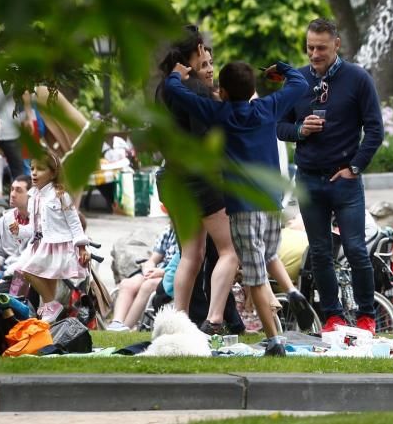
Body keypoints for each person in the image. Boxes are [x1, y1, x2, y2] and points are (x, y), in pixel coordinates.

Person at [164, 58, 307, 355]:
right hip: (271, 206)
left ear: (223, 92)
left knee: (254, 276)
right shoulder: (268, 108)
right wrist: (281, 68)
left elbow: (178, 94)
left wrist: (176, 76)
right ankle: (289, 295)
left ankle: (274, 340)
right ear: (254, 88)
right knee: (267, 258)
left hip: (243, 209)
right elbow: (300, 83)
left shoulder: (219, 113)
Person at [277, 18, 384, 333]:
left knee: (354, 248)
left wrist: (354, 167)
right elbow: (278, 126)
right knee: (320, 252)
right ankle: (332, 315)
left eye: (321, 48)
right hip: (309, 180)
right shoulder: (296, 80)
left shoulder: (358, 79)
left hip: (345, 181)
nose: (314, 54)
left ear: (337, 44)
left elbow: (375, 130)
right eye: (310, 47)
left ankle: (366, 315)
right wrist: (300, 130)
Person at [155, 27, 241, 335]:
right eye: (202, 52)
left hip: (172, 178)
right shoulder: (196, 90)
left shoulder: (166, 87)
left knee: (191, 254)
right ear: (191, 56)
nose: (206, 57)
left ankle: (178, 321)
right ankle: (214, 319)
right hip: (201, 181)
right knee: (231, 250)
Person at [12, 152, 90, 322]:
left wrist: (82, 247)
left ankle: (52, 304)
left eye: (40, 169)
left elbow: (75, 223)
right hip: (41, 244)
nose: (33, 173)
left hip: (58, 245)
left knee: (26, 270)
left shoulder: (61, 195)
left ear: (53, 173)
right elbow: (34, 228)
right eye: (32, 168)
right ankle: (50, 322)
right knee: (46, 287)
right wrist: (19, 230)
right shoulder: (33, 197)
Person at [107, 226, 178, 331]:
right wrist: (149, 267)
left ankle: (126, 327)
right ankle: (117, 323)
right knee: (127, 284)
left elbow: (186, 265)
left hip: (173, 275)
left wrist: (162, 272)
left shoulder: (191, 233)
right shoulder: (169, 231)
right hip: (159, 270)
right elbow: (153, 259)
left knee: (147, 285)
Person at [0, 175, 33, 273]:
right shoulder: (3, 221)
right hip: (4, 271)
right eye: (12, 189)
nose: (12, 194)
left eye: (18, 190)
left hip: (28, 274)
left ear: (31, 195)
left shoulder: (40, 222)